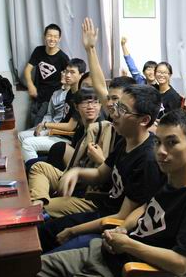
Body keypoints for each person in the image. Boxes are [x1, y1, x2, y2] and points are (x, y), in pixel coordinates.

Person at [29, 109, 186, 277]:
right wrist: (123, 228)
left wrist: (128, 245)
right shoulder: (170, 176)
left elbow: (181, 263)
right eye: (158, 142)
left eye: (172, 143)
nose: (161, 151)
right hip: (100, 254)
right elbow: (145, 206)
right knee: (17, 273)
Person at [37, 84, 165, 253]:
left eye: (123, 110)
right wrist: (76, 172)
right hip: (102, 210)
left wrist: (72, 231)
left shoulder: (147, 160)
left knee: (50, 235)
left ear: (144, 120)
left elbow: (122, 217)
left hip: (111, 227)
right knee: (45, 230)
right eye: (117, 106)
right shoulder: (126, 140)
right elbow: (100, 174)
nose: (114, 113)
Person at [28, 87, 110, 218]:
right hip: (74, 176)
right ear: (76, 107)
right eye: (85, 103)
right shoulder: (82, 128)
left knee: (58, 148)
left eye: (95, 102)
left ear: (101, 106)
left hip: (87, 187)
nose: (90, 106)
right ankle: (38, 202)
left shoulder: (104, 129)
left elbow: (104, 172)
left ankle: (43, 208)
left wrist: (98, 160)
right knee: (37, 166)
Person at [20, 58, 86, 162]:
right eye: (67, 71)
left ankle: (34, 169)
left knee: (27, 144)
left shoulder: (80, 97)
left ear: (81, 75)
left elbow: (70, 126)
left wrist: (45, 125)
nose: (68, 75)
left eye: (72, 72)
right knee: (21, 136)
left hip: (67, 139)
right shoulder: (69, 93)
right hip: (57, 134)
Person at [24, 23, 70, 127]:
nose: (52, 39)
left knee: (39, 127)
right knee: (32, 125)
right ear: (44, 36)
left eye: (55, 36)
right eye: (49, 36)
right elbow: (27, 70)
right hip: (36, 97)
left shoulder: (63, 57)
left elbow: (70, 77)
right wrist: (30, 85)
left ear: (59, 39)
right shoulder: (38, 51)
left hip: (51, 101)